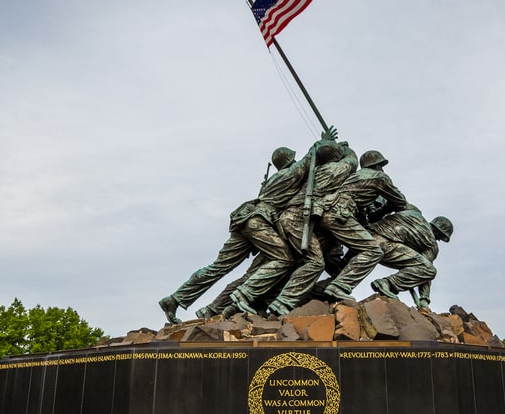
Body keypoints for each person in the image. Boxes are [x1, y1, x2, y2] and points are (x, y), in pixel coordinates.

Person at [158, 130, 334, 324]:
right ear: (290, 160)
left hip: (245, 220)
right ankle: (243, 294)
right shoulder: (288, 174)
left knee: (218, 267)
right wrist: (323, 142)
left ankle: (175, 299)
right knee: (284, 258)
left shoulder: (274, 179)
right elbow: (310, 159)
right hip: (258, 222)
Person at [264, 139, 359, 316]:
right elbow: (352, 161)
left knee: (315, 262)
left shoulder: (311, 173)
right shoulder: (335, 170)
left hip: (292, 219)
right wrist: (346, 149)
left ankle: (286, 298)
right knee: (315, 263)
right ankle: (282, 302)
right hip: (298, 219)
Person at [312, 149, 409, 302]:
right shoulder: (379, 177)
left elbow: (364, 215)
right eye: (381, 165)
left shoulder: (354, 177)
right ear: (376, 165)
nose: (382, 169)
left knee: (322, 260)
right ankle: (339, 286)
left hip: (324, 212)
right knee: (373, 251)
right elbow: (400, 201)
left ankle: (311, 293)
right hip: (339, 214)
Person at [368, 209, 453, 309]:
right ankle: (387, 283)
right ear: (438, 231)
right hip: (386, 246)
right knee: (429, 270)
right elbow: (425, 270)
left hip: (368, 236)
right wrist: (424, 300)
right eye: (441, 237)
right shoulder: (431, 243)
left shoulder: (415, 217)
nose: (439, 240)